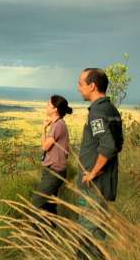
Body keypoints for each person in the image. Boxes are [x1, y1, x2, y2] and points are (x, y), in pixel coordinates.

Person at [76, 68, 124, 260]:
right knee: (96, 234)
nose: (78, 87)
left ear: (92, 85)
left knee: (88, 236)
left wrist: (92, 173)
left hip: (94, 186)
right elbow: (118, 144)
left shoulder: (96, 112)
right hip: (105, 185)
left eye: (80, 83)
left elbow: (110, 146)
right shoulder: (111, 109)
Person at [32, 95, 72, 215]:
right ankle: (50, 232)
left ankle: (37, 232)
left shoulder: (58, 125)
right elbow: (45, 146)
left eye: (49, 104)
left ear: (55, 109)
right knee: (49, 205)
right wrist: (44, 128)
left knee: (37, 203)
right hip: (53, 170)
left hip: (54, 171)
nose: (46, 106)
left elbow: (44, 146)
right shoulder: (57, 125)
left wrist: (43, 129)